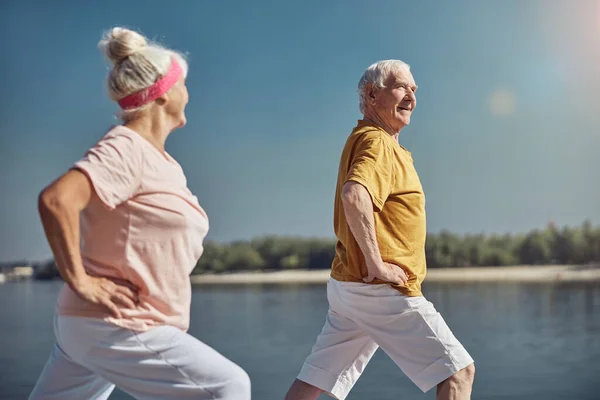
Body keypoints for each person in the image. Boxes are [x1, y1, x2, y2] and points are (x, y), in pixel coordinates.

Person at [29, 27, 251, 400]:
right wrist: (80, 279)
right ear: (163, 95)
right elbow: (57, 200)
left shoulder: (161, 161)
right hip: (114, 323)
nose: (189, 91)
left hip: (102, 325)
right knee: (226, 387)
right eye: (183, 82)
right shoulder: (127, 146)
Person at [284, 60, 475, 400]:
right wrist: (377, 265)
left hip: (348, 286)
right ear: (372, 94)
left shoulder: (370, 139)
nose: (411, 96)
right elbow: (354, 195)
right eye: (402, 87)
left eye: (414, 90)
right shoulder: (378, 142)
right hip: (379, 288)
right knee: (458, 373)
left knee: (315, 381)